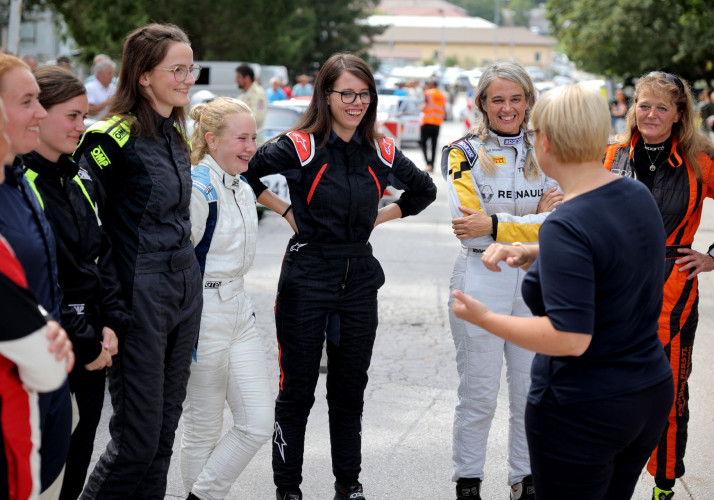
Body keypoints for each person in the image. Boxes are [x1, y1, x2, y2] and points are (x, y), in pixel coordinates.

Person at [453, 83, 674, 499]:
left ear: (548, 142)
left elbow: (570, 338)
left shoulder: (566, 223)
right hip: (646, 393)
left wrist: (485, 318)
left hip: (585, 407)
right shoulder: (635, 194)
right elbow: (606, 249)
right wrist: (530, 251)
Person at [242, 52, 437, 500]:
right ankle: (288, 488)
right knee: (297, 392)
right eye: (346, 94)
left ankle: (349, 485)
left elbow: (424, 190)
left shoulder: (381, 149)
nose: (356, 103)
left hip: (359, 279)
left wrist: (377, 218)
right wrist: (284, 210)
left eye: (364, 94)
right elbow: (243, 168)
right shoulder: (300, 146)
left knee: (349, 392)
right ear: (325, 96)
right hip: (307, 276)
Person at [72, 23, 203, 499]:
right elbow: (80, 223)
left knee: (163, 439)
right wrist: (104, 304)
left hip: (184, 291)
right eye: (177, 69)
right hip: (139, 294)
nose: (187, 79)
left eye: (191, 68)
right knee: (136, 443)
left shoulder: (177, 134)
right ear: (144, 75)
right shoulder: (110, 139)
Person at [440, 61, 561, 500]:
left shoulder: (548, 147)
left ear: (529, 101)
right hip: (480, 274)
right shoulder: (462, 152)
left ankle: (524, 480)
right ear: (482, 104)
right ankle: (468, 481)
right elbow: (469, 228)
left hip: (535, 279)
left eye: (515, 98)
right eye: (497, 100)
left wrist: (496, 222)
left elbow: (561, 224)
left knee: (531, 393)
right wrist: (533, 219)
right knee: (478, 393)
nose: (507, 108)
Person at [603, 71, 714, 500]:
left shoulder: (699, 160)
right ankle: (608, 481)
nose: (650, 114)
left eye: (661, 107)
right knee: (610, 386)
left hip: (674, 289)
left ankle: (664, 484)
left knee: (668, 390)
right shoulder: (611, 155)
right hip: (614, 286)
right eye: (643, 105)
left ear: (679, 114)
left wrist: (712, 256)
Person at [23, 65, 130, 500]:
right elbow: (42, 280)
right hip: (55, 346)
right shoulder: (22, 183)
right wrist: (85, 343)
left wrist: (112, 322)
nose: (81, 127)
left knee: (77, 459)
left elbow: (100, 256)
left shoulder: (76, 177)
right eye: (72, 116)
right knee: (43, 471)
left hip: (94, 343)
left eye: (84, 116)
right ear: (39, 113)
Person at [179, 97, 274, 500]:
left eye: (254, 137)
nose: (251, 147)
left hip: (239, 309)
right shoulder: (198, 187)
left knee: (257, 422)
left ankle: (199, 497)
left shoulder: (241, 184)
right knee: (202, 428)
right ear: (212, 139)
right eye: (241, 138)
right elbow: (178, 261)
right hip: (203, 314)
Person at [0, 52, 74, 499]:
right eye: (27, 101)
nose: (41, 113)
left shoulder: (19, 178)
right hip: (19, 384)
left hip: (47, 388)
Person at [235, 64, 267, 142]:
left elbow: (258, 117)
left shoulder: (258, 93)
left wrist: (237, 120)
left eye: (238, 77)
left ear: (247, 78)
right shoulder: (242, 96)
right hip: (244, 140)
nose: (236, 80)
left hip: (255, 142)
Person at [420, 78, 446, 172]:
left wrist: (421, 108)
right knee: (434, 144)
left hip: (427, 122)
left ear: (431, 84)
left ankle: (428, 163)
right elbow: (443, 108)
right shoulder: (442, 95)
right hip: (437, 123)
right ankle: (432, 165)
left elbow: (423, 106)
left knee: (423, 143)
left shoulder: (428, 93)